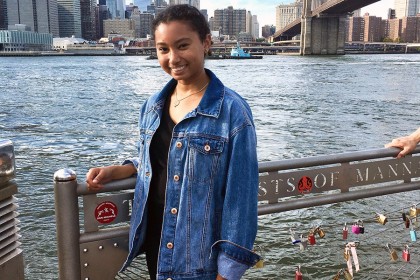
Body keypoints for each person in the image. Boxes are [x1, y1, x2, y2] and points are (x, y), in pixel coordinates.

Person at [85, 4, 260, 280]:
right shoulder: (152, 105)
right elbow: (161, 157)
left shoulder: (232, 112)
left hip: (201, 257)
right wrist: (122, 170)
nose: (173, 57)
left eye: (182, 45)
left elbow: (242, 199)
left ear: (206, 43)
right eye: (163, 49)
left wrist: (227, 272)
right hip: (158, 242)